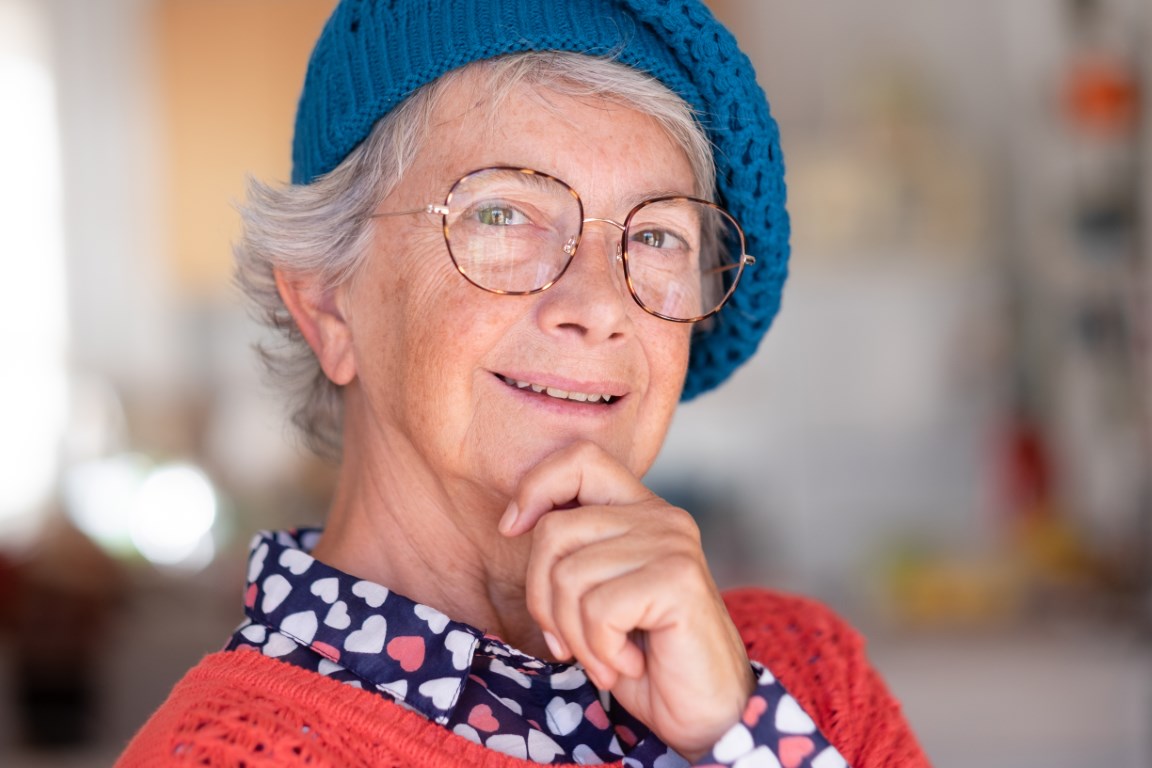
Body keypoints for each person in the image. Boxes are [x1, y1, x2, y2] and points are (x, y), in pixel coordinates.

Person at [118, 1, 929, 766]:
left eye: (655, 234)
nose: (600, 306)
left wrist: (736, 737)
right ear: (331, 305)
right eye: (503, 214)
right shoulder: (225, 752)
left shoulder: (803, 680)